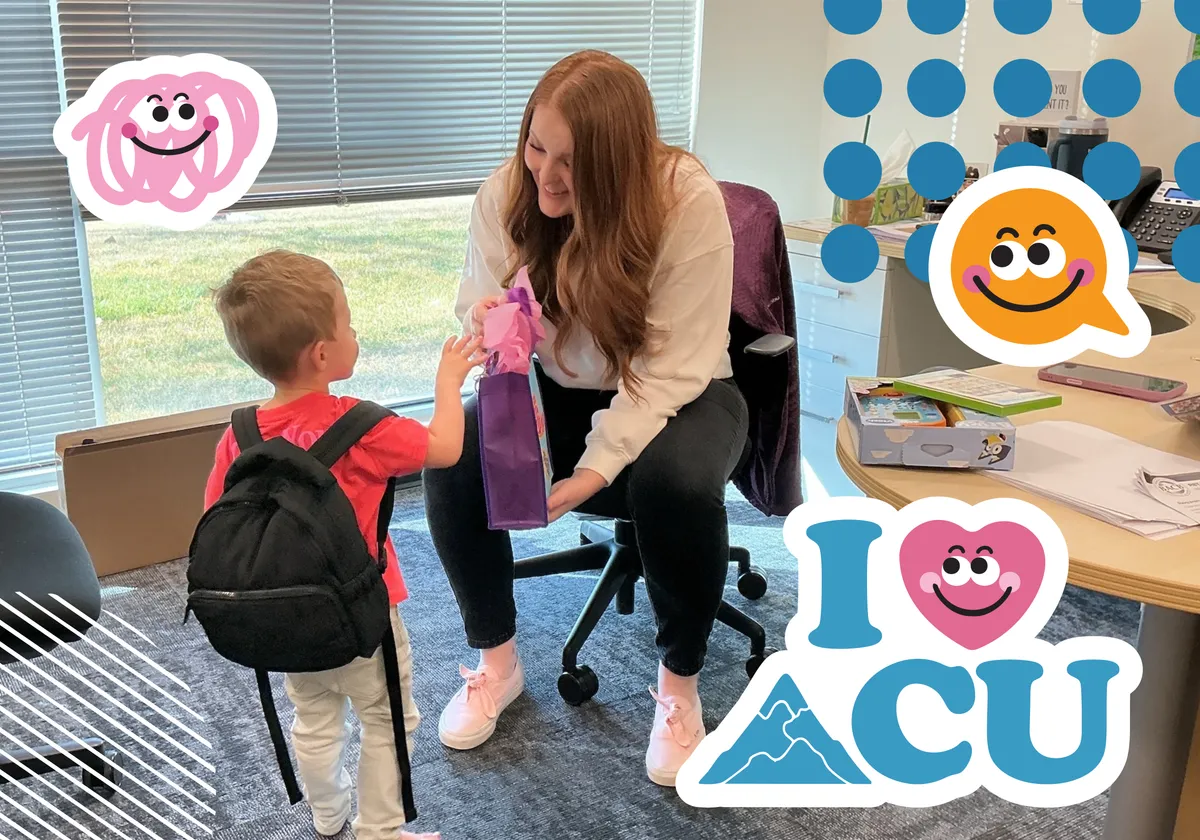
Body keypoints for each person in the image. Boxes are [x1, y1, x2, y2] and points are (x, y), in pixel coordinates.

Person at [423, 50, 748, 786]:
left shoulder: (683, 200)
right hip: (559, 389)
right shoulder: (509, 190)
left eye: (572, 162)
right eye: (537, 147)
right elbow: (476, 298)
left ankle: (679, 690)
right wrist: (487, 317)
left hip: (685, 389)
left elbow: (668, 368)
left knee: (673, 484)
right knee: (454, 454)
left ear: (622, 162)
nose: (547, 175)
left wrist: (595, 469)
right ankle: (496, 663)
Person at [205, 250, 485, 840]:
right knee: (386, 718)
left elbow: (214, 515)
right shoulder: (365, 426)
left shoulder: (239, 433)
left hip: (287, 612)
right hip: (364, 611)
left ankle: (327, 817)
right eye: (349, 323)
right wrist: (449, 381)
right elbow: (444, 449)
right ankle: (379, 829)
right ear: (322, 354)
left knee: (313, 717)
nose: (356, 333)